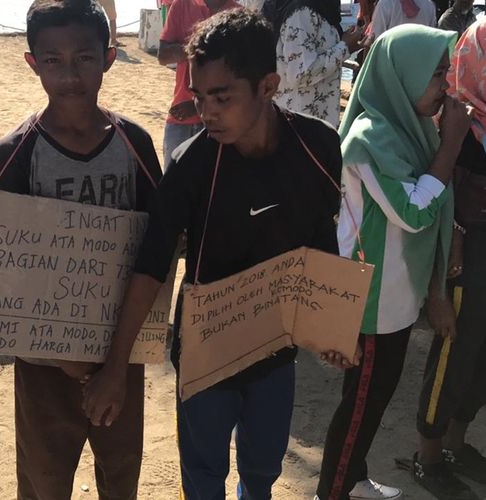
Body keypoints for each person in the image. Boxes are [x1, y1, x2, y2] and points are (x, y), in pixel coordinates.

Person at [83, 9, 346, 498]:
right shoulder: (191, 165)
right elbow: (151, 264)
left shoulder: (319, 146)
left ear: (269, 86)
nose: (206, 113)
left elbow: (319, 236)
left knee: (262, 475)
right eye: (200, 97)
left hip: (276, 351)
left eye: (222, 98)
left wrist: (328, 324)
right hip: (205, 348)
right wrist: (116, 366)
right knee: (203, 479)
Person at [0, 1, 162, 498]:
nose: (70, 75)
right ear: (32, 63)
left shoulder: (135, 146)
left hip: (120, 353)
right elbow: (1, 263)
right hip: (42, 365)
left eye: (83, 57)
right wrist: (66, 359)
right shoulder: (15, 152)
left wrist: (115, 365)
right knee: (44, 477)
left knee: (121, 470)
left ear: (109, 56)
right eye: (53, 61)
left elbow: (157, 252)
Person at [315, 24, 470, 500]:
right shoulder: (369, 140)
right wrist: (451, 147)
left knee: (372, 401)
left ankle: (353, 478)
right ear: (402, 76)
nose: (444, 86)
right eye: (436, 75)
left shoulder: (410, 126)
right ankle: (333, 491)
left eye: (445, 73)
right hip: (371, 302)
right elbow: (416, 212)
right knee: (361, 404)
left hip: (396, 297)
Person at [413, 19, 486, 500]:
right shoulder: (456, 118)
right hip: (465, 248)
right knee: (453, 349)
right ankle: (429, 454)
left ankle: (459, 442)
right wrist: (452, 251)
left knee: (481, 353)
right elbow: (441, 191)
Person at [158, 0, 240, 168]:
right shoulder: (181, 5)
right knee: (173, 184)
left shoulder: (238, 15)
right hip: (180, 118)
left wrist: (195, 106)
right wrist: (202, 48)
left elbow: (240, 78)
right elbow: (163, 56)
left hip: (223, 120)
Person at [270, 0, 366, 127]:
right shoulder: (301, 12)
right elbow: (300, 74)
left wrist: (347, 42)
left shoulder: (319, 9)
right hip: (301, 125)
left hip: (316, 121)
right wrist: (344, 48)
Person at [370, 0, 437, 38]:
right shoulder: (429, 5)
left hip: (392, 59)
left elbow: (375, 37)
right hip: (421, 58)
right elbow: (432, 37)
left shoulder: (385, 4)